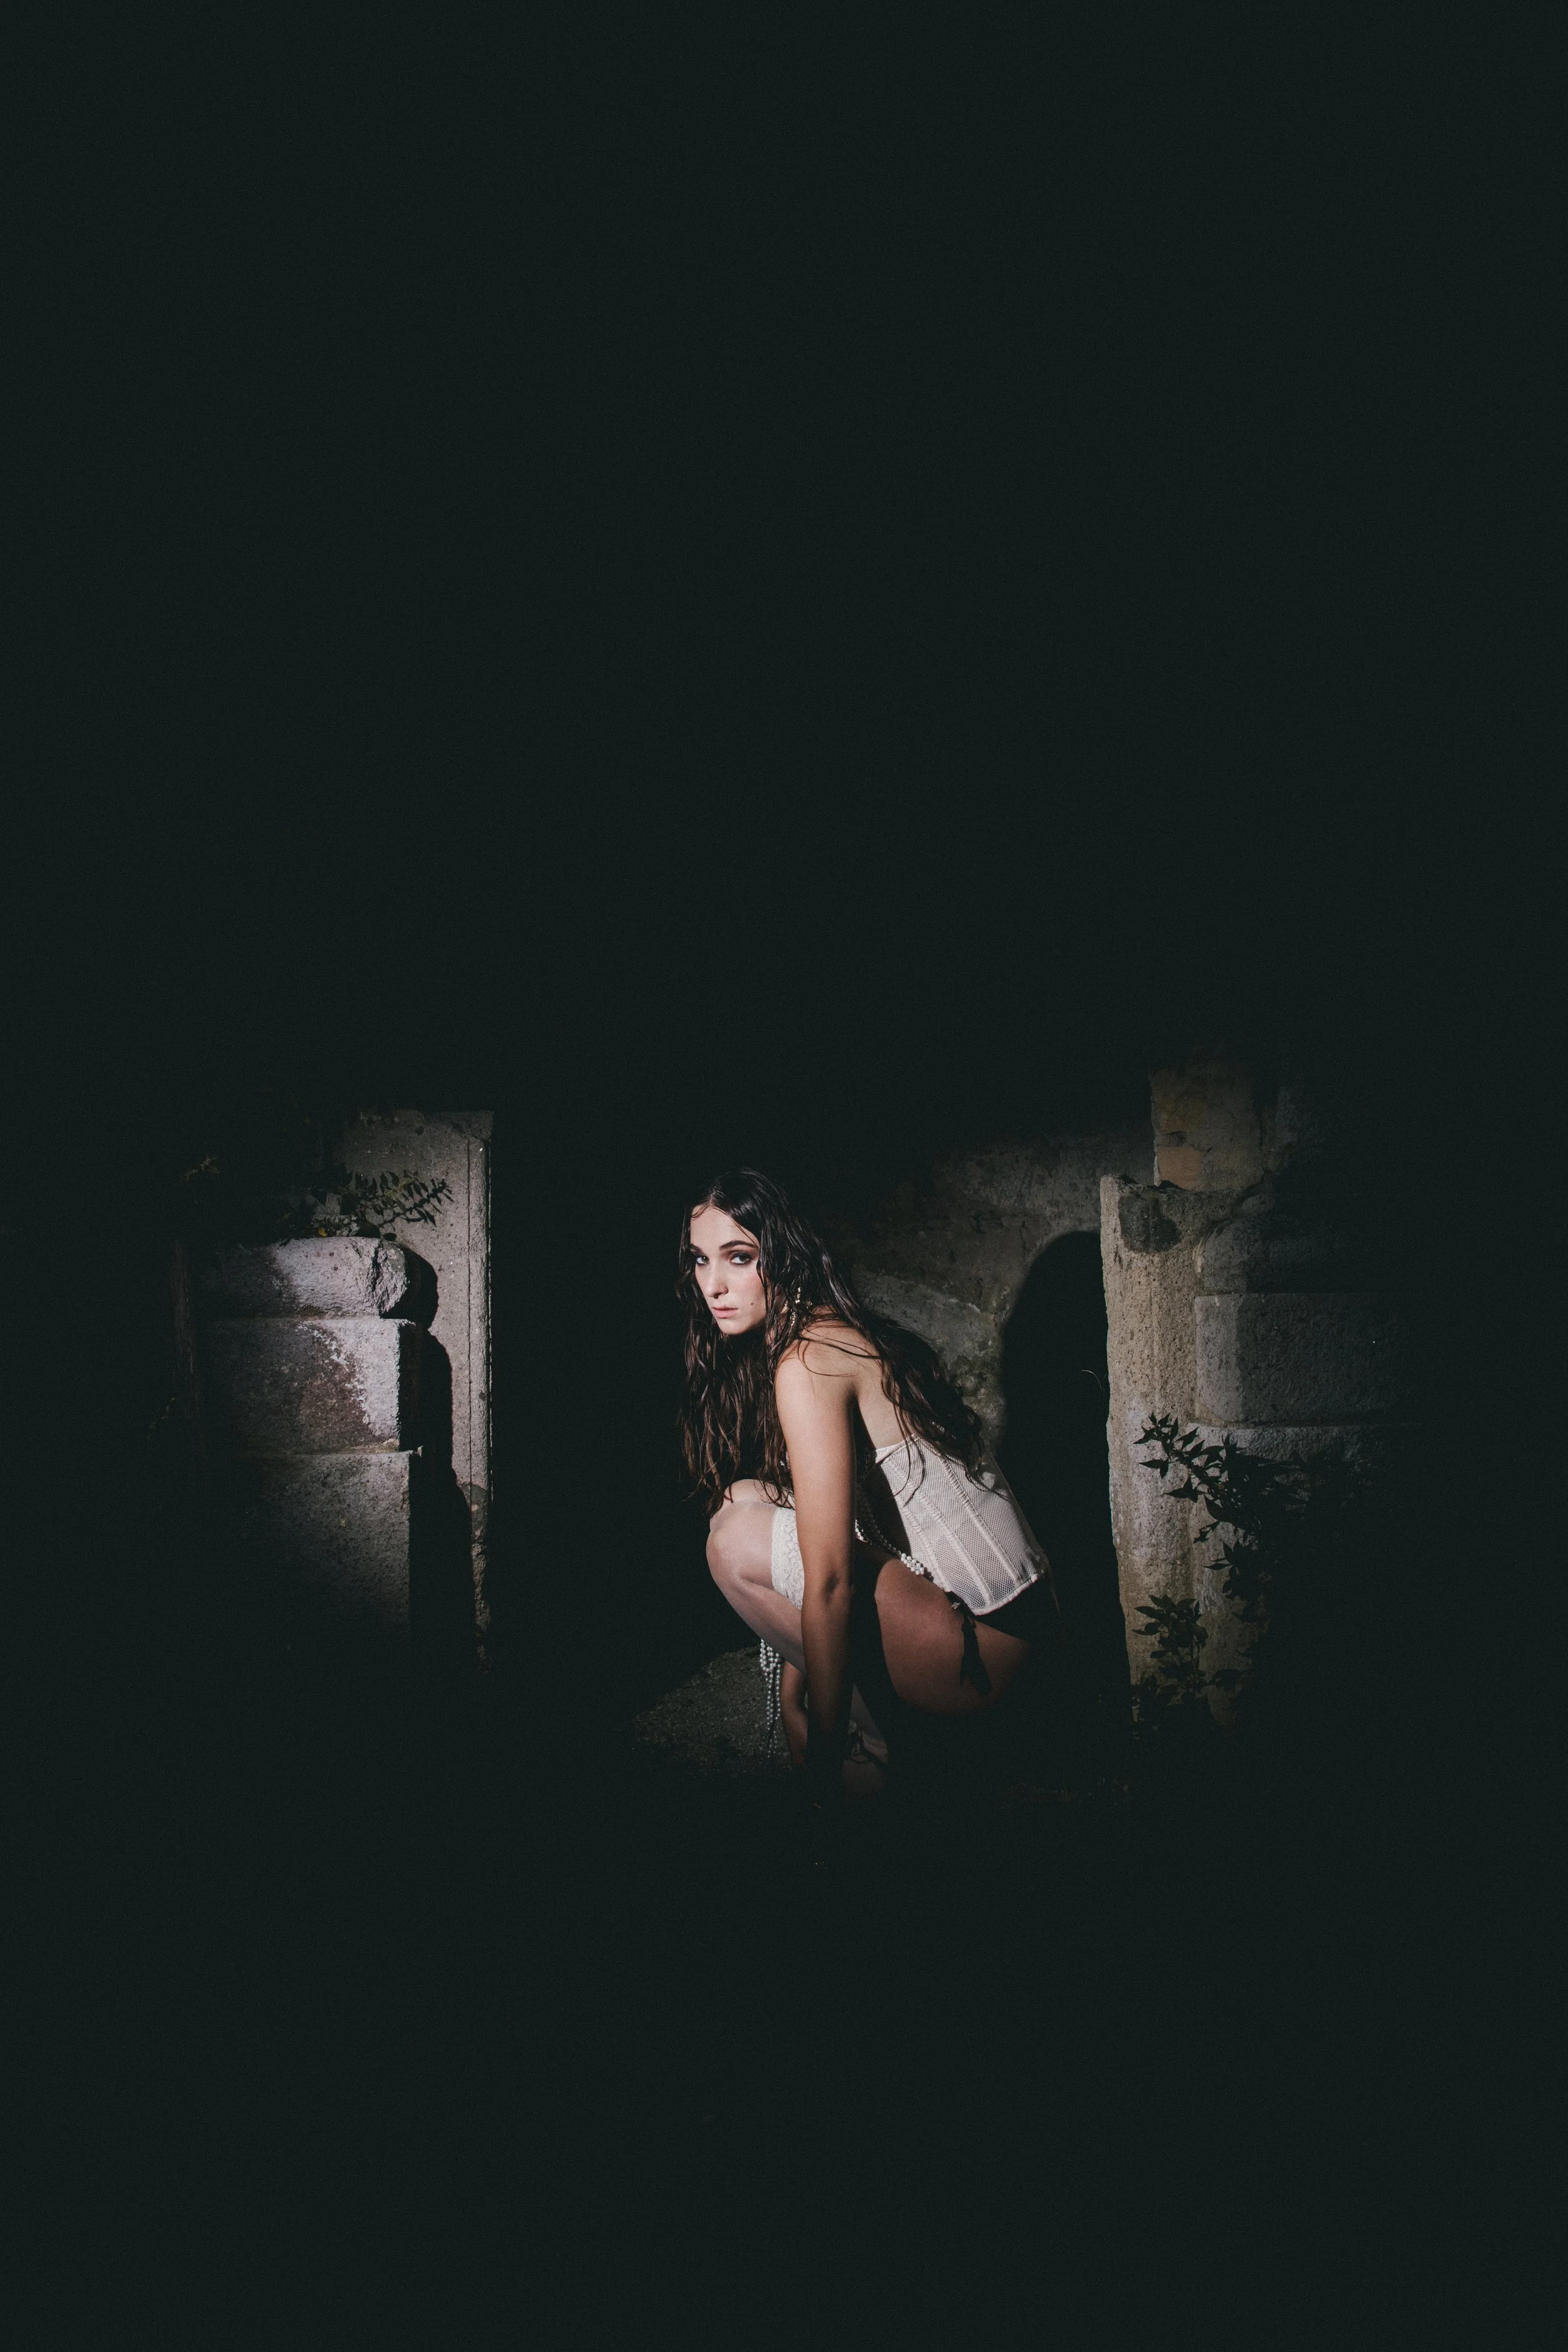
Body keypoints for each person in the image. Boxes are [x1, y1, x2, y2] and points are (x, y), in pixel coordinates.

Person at [679, 1168, 1058, 1806]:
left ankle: (888, 1752)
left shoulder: (809, 1361)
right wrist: (793, 1686)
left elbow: (829, 1581)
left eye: (739, 1258)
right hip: (1020, 1635)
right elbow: (838, 1534)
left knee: (732, 1544)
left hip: (990, 1656)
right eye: (699, 1261)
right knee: (746, 1498)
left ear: (784, 1253)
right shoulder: (833, 1332)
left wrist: (822, 1760)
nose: (712, 1285)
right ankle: (891, 1738)